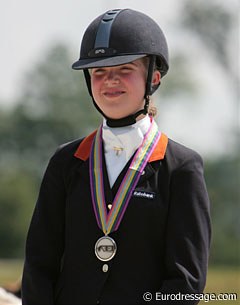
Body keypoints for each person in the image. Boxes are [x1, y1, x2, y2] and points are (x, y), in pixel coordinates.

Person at [22, 8, 211, 305]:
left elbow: (186, 281)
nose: (110, 80)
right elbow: (39, 264)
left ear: (154, 77)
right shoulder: (66, 161)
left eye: (124, 69)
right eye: (99, 72)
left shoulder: (182, 168)